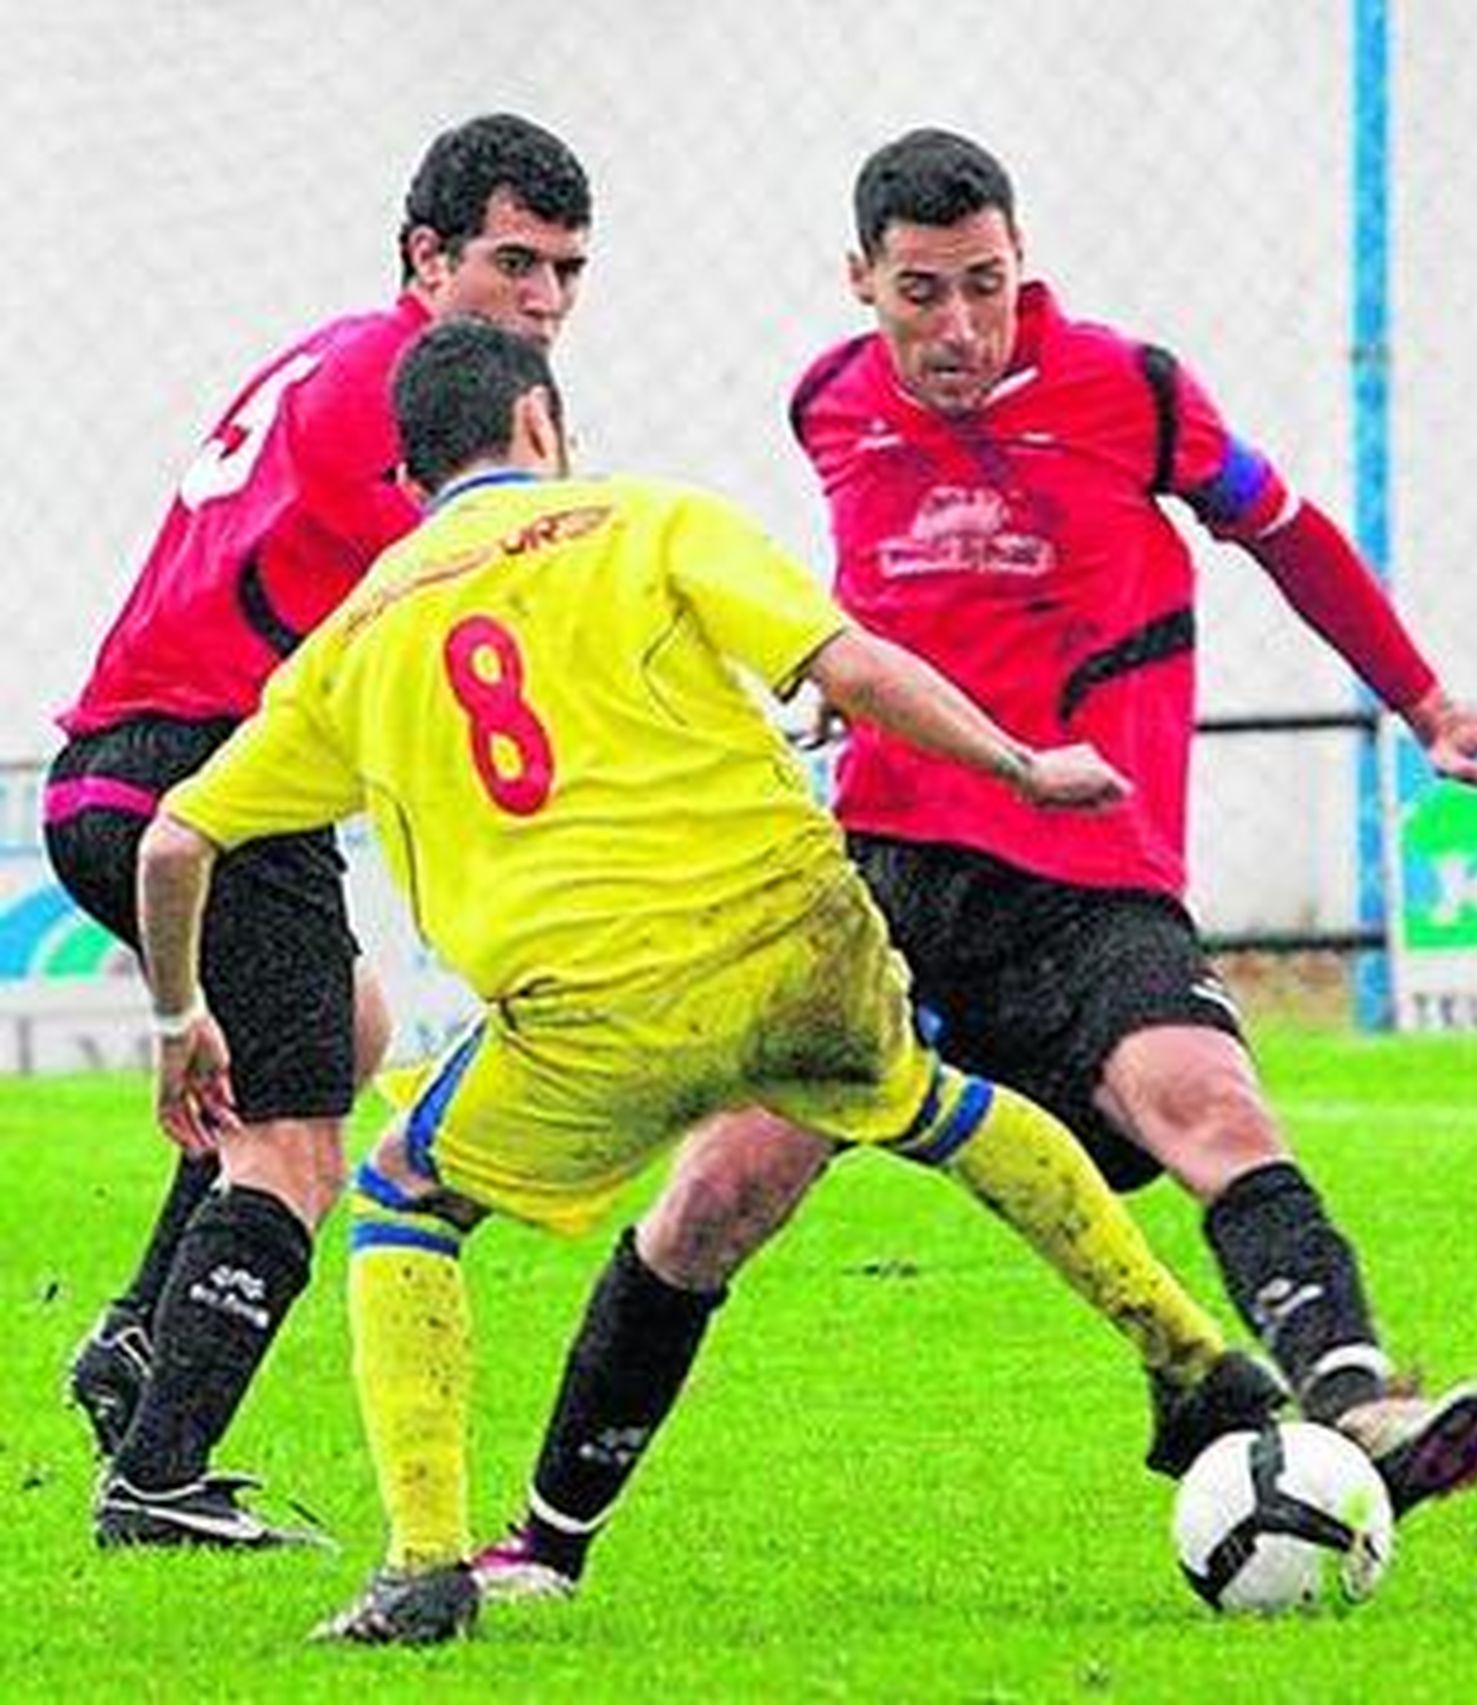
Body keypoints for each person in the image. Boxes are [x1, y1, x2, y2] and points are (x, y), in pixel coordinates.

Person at [468, 126, 1477, 1603]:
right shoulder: (825, 405)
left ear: (1023, 267)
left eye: (987, 287)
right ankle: (543, 1548)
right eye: (923, 293)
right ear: (861, 281)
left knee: (1209, 1103)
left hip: (1086, 870)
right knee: (720, 1190)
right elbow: (871, 581)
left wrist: (1425, 700)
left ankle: (1355, 1402)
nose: (958, 328)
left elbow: (1289, 530)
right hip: (883, 882)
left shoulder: (1133, 390)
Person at [137, 315, 1276, 1646]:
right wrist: (1023, 764)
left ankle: (424, 1566)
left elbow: (176, 839)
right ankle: (1193, 1357)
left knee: (402, 1194)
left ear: (407, 483)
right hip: (798, 935)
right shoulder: (650, 516)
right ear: (540, 428)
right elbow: (846, 664)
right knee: (931, 1102)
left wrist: (180, 1020)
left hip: (590, 1012)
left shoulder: (356, 636)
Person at [44, 113, 593, 1547]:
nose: (543, 303)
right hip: (205, 779)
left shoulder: (335, 358)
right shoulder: (411, 395)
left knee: (331, 1032)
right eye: (514, 264)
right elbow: (475, 610)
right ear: (428, 256)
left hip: (114, 773)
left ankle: (136, 1343)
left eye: (567, 275)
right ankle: (158, 1479)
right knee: (298, 1135)